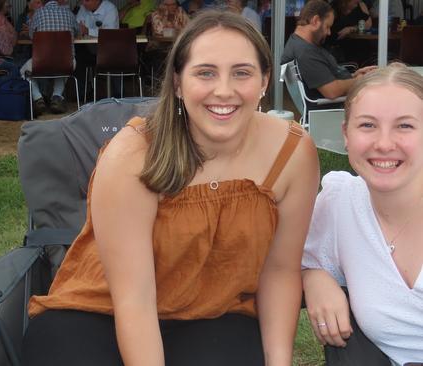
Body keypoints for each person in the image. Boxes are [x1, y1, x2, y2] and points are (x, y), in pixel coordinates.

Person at [22, 10, 320, 365]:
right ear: (178, 83)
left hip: (215, 311)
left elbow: (281, 271)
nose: (224, 90)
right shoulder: (133, 155)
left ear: (264, 82)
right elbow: (135, 299)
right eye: (205, 72)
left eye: (242, 73)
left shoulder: (292, 153)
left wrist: (279, 362)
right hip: (103, 309)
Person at [302, 64, 423, 365]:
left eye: (404, 126)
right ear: (346, 134)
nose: (383, 144)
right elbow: (307, 259)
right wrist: (315, 279)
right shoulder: (341, 202)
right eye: (367, 125)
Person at [281, 0, 376, 101]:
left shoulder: (299, 43)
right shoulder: (305, 53)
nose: (329, 32)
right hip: (333, 108)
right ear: (315, 21)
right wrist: (359, 80)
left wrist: (354, 75)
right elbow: (332, 91)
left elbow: (322, 77)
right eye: (327, 26)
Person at [21, 0, 77, 115]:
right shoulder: (69, 13)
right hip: (67, 63)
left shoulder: (38, 13)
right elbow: (76, 32)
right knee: (61, 68)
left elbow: (32, 36)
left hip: (42, 62)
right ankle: (56, 97)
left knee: (23, 71)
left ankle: (38, 98)